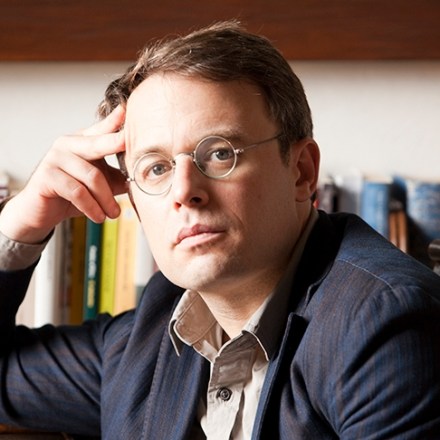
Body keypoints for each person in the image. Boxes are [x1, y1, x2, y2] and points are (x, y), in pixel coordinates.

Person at [0, 20, 439, 440]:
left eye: (219, 153)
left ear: (302, 172)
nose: (184, 191)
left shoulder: (385, 326)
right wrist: (20, 223)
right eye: (156, 168)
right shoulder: (155, 329)